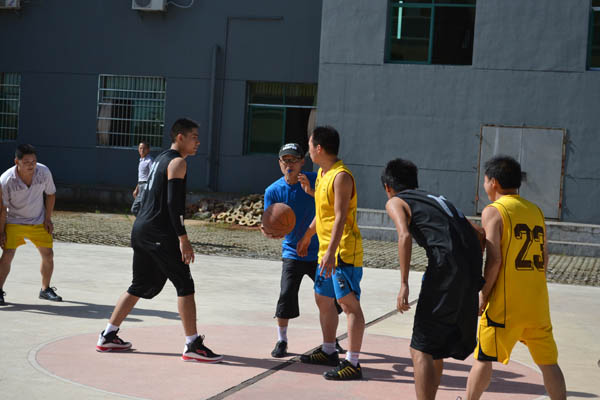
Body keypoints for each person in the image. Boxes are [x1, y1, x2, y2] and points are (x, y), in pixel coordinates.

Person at [96, 118, 223, 363]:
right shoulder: (177, 163)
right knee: (185, 285)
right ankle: (192, 344)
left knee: (139, 286)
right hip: (159, 233)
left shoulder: (160, 159)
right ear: (180, 137)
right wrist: (183, 238)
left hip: (142, 229)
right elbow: (174, 205)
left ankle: (108, 335)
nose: (198, 142)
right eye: (194, 137)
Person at [381, 158, 484, 400]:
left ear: (388, 187)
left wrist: (404, 284)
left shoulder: (396, 201)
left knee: (420, 349)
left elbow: (404, 236)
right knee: (434, 349)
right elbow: (480, 233)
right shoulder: (438, 199)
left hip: (445, 270)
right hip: (469, 272)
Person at [466, 155, 566, 400]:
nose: (484, 185)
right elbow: (544, 256)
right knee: (549, 363)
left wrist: (483, 294)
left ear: (494, 182)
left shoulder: (494, 211)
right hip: (537, 301)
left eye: (485, 180)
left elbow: (494, 260)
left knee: (483, 358)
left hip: (505, 304)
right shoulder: (535, 211)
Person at [262, 143, 343, 358]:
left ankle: (331, 339)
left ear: (302, 162)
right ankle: (282, 340)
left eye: (294, 160)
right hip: (292, 251)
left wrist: (313, 192)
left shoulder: (316, 180)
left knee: (330, 298)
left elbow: (330, 206)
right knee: (286, 294)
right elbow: (268, 221)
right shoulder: (273, 191)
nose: (289, 164)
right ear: (279, 163)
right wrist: (268, 231)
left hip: (320, 251)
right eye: (285, 160)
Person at [297, 126, 365, 381]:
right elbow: (323, 213)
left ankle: (353, 363)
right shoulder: (322, 174)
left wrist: (332, 251)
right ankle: (328, 350)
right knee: (322, 299)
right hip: (326, 251)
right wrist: (307, 235)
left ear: (319, 148)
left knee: (349, 305)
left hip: (343, 252)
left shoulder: (341, 177)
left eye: (310, 145)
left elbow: (340, 217)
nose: (308, 150)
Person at [0, 144, 61, 306]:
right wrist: (1, 232)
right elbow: (2, 209)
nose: (31, 165)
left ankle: (45, 289)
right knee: (7, 255)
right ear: (17, 161)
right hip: (14, 221)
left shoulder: (44, 172)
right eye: (26, 162)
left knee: (48, 254)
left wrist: (48, 218)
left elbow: (51, 194)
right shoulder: (6, 180)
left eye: (33, 161)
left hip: (38, 220)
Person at [131, 141, 153, 216]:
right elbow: (141, 177)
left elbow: (152, 175)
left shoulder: (150, 160)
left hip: (146, 186)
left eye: (144, 148)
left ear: (148, 150)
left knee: (138, 208)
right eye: (140, 148)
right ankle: (143, 221)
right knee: (137, 209)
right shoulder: (141, 160)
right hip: (140, 185)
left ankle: (143, 221)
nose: (142, 150)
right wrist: (136, 189)